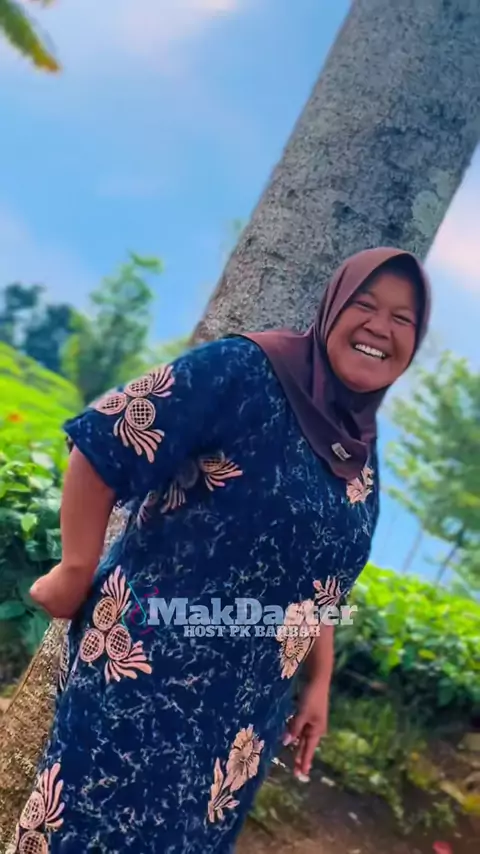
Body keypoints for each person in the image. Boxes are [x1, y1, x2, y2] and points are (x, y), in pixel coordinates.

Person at [13, 246, 430, 854]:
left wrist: (318, 680)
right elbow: (107, 438)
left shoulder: (355, 445)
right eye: (365, 305)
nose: (380, 327)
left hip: (239, 726)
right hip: (142, 684)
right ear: (333, 307)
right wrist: (75, 568)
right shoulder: (245, 371)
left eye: (402, 318)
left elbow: (320, 582)